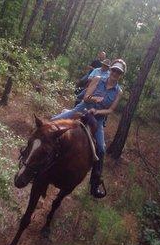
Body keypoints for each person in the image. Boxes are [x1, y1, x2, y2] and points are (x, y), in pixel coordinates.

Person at [52, 59, 126, 198]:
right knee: (52, 121)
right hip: (82, 110)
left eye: (118, 71)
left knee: (101, 149)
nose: (115, 73)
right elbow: (85, 98)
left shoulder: (118, 91)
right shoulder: (98, 78)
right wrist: (94, 100)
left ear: (121, 74)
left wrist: (97, 112)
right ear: (110, 70)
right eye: (114, 70)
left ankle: (95, 183)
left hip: (97, 120)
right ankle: (32, 153)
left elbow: (110, 110)